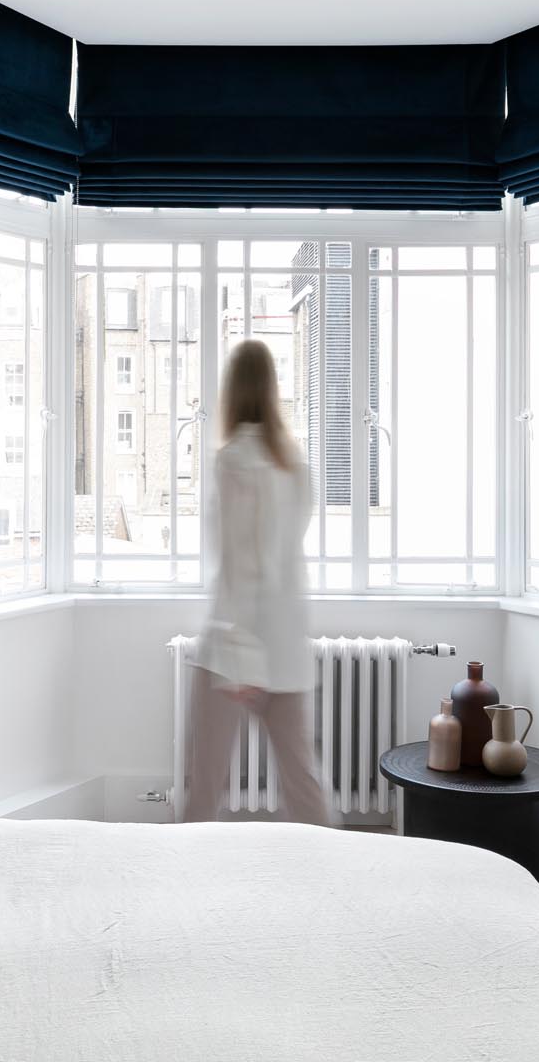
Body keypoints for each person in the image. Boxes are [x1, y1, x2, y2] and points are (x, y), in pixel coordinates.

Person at [183, 339, 329, 826]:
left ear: (232, 390)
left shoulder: (234, 461)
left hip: (235, 647)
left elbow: (242, 562)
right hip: (286, 640)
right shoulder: (295, 464)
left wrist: (242, 652)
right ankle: (338, 878)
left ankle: (180, 885)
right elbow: (284, 556)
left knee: (204, 785)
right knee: (302, 781)